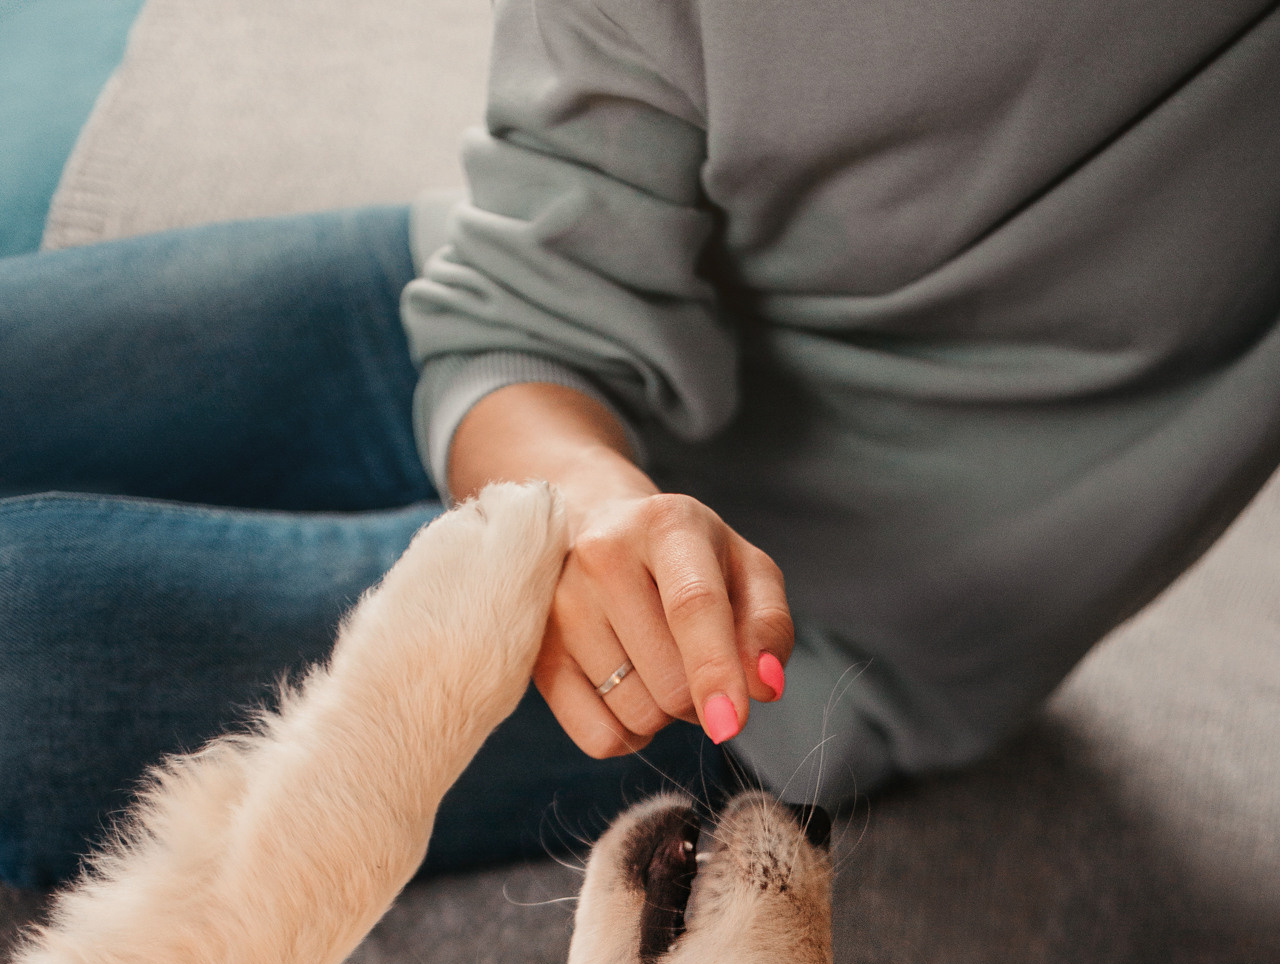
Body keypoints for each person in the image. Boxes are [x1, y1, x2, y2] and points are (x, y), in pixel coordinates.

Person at [4, 0, 1279, 892]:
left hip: (801, 633)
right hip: (530, 305)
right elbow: (529, 297)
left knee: (28, 634)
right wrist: (587, 505)